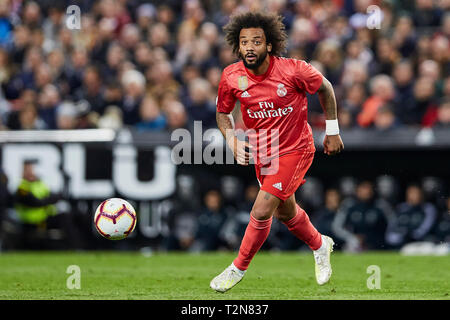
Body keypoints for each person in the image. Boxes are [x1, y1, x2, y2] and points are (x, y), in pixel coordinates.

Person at [211, 12, 344, 293]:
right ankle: (321, 245)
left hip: (296, 148)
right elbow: (222, 114)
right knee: (286, 213)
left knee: (261, 210)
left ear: (269, 45)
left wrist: (332, 130)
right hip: (264, 152)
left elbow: (326, 88)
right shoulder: (231, 76)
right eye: (244, 41)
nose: (249, 47)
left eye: (256, 41)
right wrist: (233, 141)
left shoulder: (294, 70)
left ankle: (237, 267)